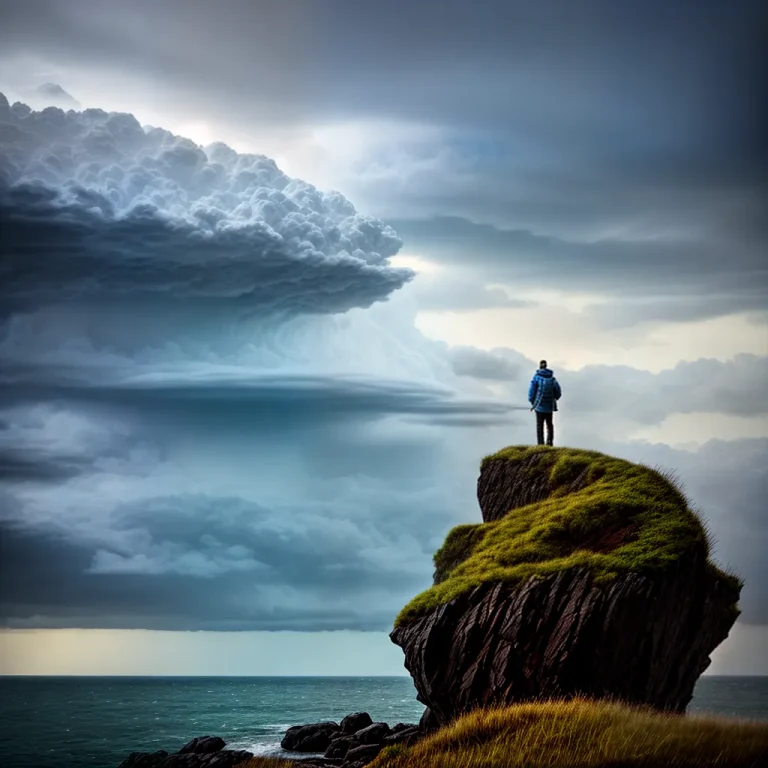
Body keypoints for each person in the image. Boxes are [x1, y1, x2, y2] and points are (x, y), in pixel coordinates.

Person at [528, 359, 562, 446]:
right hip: (549, 406)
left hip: (539, 406)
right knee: (549, 424)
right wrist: (555, 399)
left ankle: (540, 444)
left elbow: (531, 391)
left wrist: (532, 401)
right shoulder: (552, 378)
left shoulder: (536, 377)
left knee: (539, 425)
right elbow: (558, 392)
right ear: (546, 366)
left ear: (540, 366)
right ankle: (550, 442)